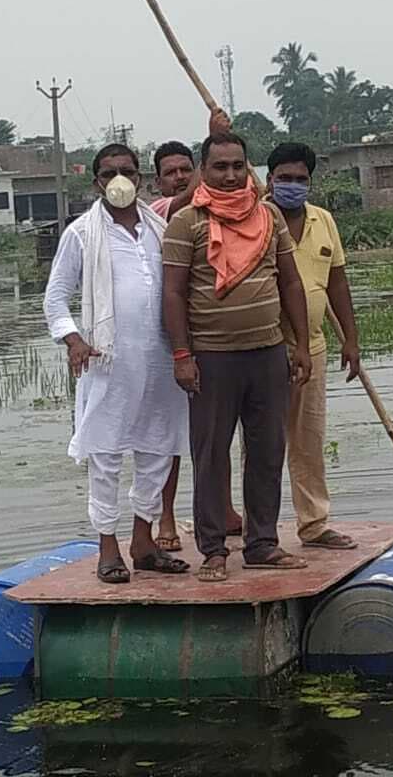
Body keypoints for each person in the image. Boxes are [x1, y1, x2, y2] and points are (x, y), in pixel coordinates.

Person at [162, 117, 313, 582]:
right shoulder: (187, 222)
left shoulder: (267, 217)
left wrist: (301, 345)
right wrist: (182, 355)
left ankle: (262, 544)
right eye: (219, 167)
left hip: (267, 352)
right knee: (210, 455)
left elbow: (289, 280)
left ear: (250, 169)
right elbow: (172, 293)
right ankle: (212, 550)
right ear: (203, 171)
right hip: (210, 357)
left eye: (237, 166)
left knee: (268, 450)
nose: (229, 176)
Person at [43, 143, 190, 584]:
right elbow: (55, 299)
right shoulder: (81, 234)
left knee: (157, 451)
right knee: (105, 457)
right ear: (96, 182)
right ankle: (109, 547)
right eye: (109, 173)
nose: (119, 180)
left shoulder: (161, 229)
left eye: (127, 171)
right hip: (107, 363)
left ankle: (143, 543)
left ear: (141, 178)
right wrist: (73, 340)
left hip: (161, 362)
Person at [267, 142, 363, 551]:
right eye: (284, 179)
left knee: (308, 439)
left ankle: (314, 523)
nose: (292, 186)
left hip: (316, 347)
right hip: (266, 347)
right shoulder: (256, 218)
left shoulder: (324, 221)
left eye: (300, 180)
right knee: (263, 443)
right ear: (269, 179)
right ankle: (260, 530)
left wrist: (352, 339)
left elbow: (337, 282)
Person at [149, 135, 243, 552]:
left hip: (211, 338)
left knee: (215, 433)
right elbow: (184, 201)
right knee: (169, 436)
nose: (179, 178)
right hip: (171, 338)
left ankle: (223, 508)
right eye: (170, 173)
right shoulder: (159, 214)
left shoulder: (216, 215)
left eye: (186, 169)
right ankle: (165, 516)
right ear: (158, 182)